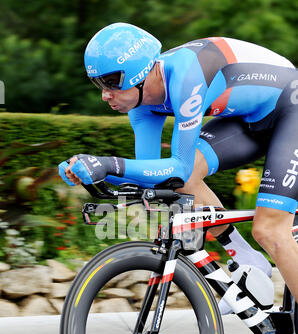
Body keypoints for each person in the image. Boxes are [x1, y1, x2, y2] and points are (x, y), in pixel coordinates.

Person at [59, 22, 298, 310]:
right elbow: (154, 176)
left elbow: (178, 166)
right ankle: (247, 259)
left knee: (270, 230)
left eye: (111, 82)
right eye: (98, 84)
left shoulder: (187, 75)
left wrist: (108, 164)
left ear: (140, 73)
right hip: (249, 120)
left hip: (290, 107)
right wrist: (92, 173)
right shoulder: (141, 105)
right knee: (180, 182)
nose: (104, 94)